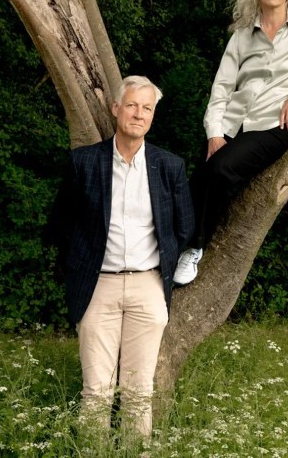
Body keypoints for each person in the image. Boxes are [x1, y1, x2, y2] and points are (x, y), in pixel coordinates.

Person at [173, 0, 288, 286]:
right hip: (234, 123)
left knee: (220, 170)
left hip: (275, 125)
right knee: (197, 176)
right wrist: (215, 133)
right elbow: (221, 88)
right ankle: (170, 243)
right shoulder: (243, 35)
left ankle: (193, 248)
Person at [51, 75, 194, 439]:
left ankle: (137, 450)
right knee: (96, 390)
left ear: (152, 116)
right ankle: (94, 449)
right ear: (116, 109)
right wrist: (77, 269)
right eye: (132, 105)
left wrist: (164, 274)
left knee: (138, 390)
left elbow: (183, 228)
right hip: (98, 285)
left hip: (148, 286)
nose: (139, 113)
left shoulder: (169, 167)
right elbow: (61, 224)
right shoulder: (85, 163)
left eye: (147, 108)